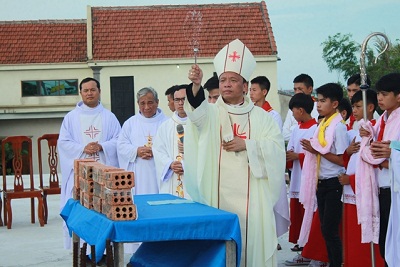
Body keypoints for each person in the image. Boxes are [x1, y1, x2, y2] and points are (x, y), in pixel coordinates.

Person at [185, 39, 285, 266]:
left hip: (253, 198)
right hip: (217, 194)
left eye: (233, 80)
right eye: (223, 80)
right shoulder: (211, 113)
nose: (227, 84)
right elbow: (195, 115)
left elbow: (277, 151)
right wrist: (196, 85)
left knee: (250, 250)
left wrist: (247, 145)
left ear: (245, 85)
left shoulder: (262, 117)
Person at [58, 77, 121, 249]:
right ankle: (81, 248)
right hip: (80, 174)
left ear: (99, 91)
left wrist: (102, 146)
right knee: (81, 210)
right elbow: (63, 143)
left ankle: (104, 247)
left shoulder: (109, 117)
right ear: (80, 93)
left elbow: (118, 141)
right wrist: (83, 148)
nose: (89, 93)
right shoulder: (71, 118)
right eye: (85, 90)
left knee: (103, 210)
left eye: (92, 90)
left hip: (104, 174)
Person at [299, 83, 348, 267]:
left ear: (335, 104)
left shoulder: (339, 127)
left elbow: (343, 160)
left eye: (323, 101)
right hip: (322, 182)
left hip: (334, 183)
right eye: (317, 101)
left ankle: (337, 263)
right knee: (324, 229)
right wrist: (315, 149)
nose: (318, 105)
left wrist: (317, 150)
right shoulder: (323, 124)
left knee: (330, 230)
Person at [338, 89, 385, 267]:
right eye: (353, 106)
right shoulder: (359, 130)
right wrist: (348, 152)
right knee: (351, 235)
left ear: (371, 107)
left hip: (363, 191)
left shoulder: (374, 129)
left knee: (364, 240)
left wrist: (351, 180)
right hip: (351, 190)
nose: (354, 110)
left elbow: (374, 165)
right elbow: (352, 159)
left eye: (358, 106)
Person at [358, 73, 400, 267]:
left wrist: (390, 155)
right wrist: (369, 134)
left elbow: (391, 150)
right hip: (383, 189)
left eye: (384, 94)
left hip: (395, 189)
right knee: (385, 244)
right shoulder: (383, 119)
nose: (380, 98)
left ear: (398, 96)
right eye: (379, 94)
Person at [285, 93, 318, 260]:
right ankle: (301, 248)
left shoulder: (316, 128)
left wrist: (299, 157)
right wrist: (289, 156)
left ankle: (311, 251)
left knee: (309, 215)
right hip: (297, 177)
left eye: (293, 111)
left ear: (301, 110)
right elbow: (291, 148)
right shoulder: (296, 129)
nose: (292, 114)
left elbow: (318, 155)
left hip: (309, 179)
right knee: (298, 215)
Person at [117, 87, 167, 195]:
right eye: (142, 103)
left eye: (150, 103)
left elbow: (173, 148)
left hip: (160, 173)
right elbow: (121, 146)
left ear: (157, 102)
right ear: (137, 104)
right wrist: (136, 151)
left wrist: (155, 152)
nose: (146, 107)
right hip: (139, 173)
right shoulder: (130, 123)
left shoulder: (167, 123)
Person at [153, 86, 190, 198]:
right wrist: (170, 164)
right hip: (172, 177)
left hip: (191, 181)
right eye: (177, 100)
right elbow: (158, 151)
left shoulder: (198, 125)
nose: (180, 103)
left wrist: (186, 165)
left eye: (184, 99)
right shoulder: (165, 126)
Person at [282, 74, 319, 142]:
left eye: (300, 89)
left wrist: (294, 131)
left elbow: (315, 132)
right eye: (295, 89)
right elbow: (284, 134)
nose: (297, 92)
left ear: (310, 89)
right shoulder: (292, 109)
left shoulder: (318, 108)